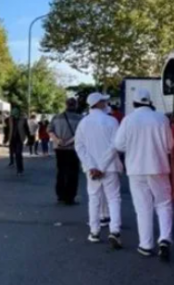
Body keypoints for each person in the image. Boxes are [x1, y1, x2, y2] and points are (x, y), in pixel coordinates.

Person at [114, 89, 174, 261]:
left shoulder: (128, 120)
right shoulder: (161, 118)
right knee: (163, 204)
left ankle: (146, 245)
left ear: (134, 103)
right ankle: (164, 239)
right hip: (159, 167)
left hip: (136, 169)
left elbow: (118, 145)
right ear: (149, 101)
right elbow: (170, 145)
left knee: (143, 207)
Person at [74, 92, 123, 249]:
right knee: (113, 198)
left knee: (94, 199)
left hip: (92, 170)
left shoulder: (83, 123)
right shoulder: (112, 121)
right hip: (110, 167)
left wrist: (92, 166)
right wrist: (101, 166)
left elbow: (79, 146)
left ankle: (94, 232)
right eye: (104, 101)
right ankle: (114, 230)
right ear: (99, 103)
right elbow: (115, 146)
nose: (107, 103)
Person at [49, 98, 83, 205]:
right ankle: (70, 197)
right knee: (73, 173)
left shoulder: (56, 117)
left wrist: (58, 140)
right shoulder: (80, 118)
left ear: (66, 105)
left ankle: (60, 195)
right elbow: (80, 134)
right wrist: (69, 142)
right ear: (76, 105)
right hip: (73, 149)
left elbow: (50, 131)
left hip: (59, 148)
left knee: (61, 172)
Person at [8, 108, 28, 176]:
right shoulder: (10, 119)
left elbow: (26, 129)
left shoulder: (23, 119)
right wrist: (5, 139)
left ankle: (20, 169)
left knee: (18, 153)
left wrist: (30, 138)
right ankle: (13, 163)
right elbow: (7, 129)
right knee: (13, 153)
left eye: (15, 113)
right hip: (12, 139)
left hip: (19, 139)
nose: (13, 114)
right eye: (13, 113)